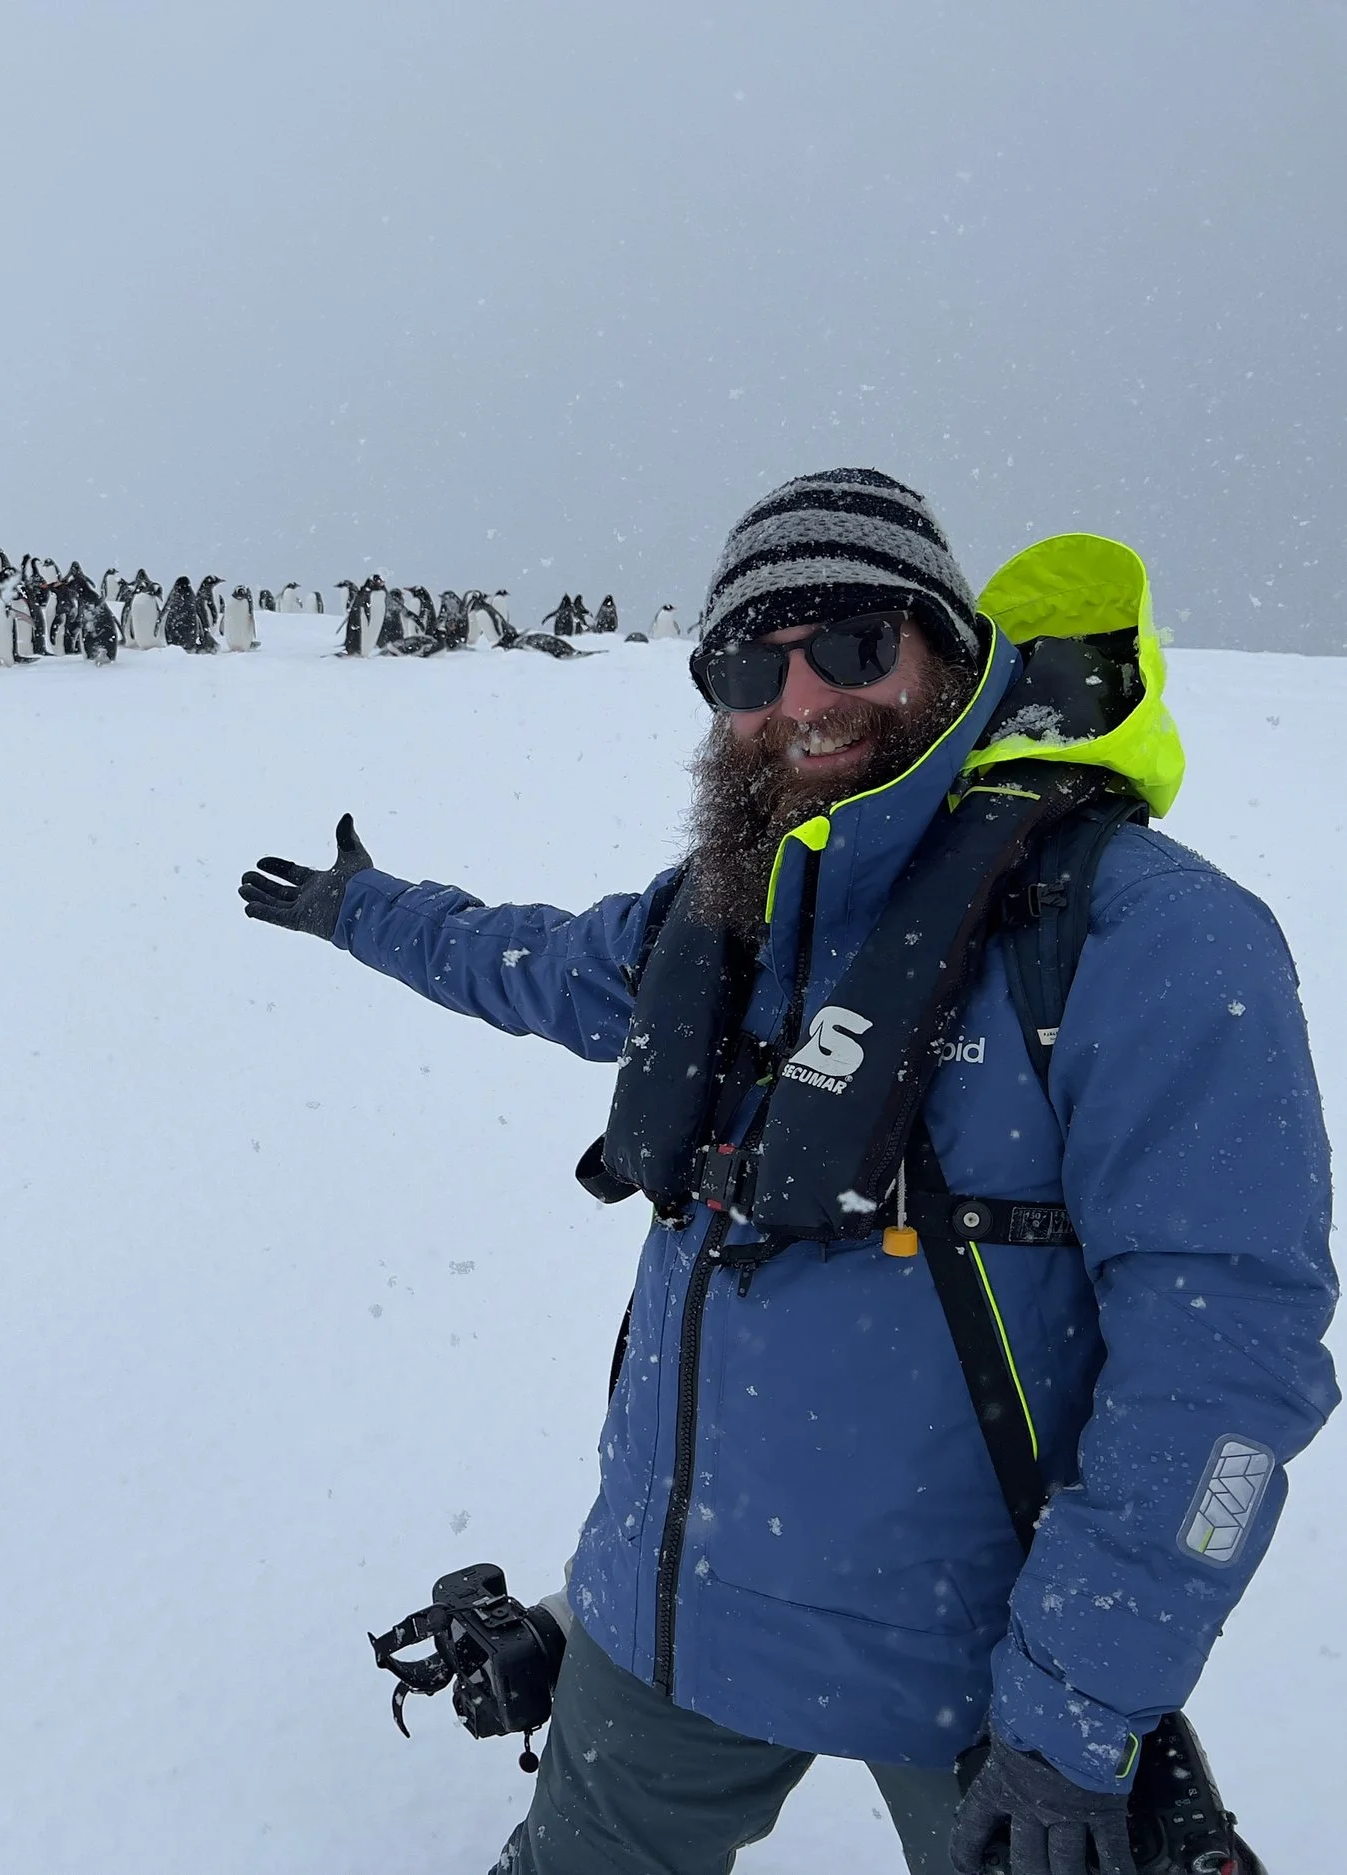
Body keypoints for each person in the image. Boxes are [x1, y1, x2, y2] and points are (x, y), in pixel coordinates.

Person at [239, 469, 1336, 1875]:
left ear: (951, 651)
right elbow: (523, 959)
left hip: (988, 1668)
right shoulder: (720, 919)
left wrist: (1080, 1703)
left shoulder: (1143, 935)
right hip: (672, 1615)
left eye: (857, 644)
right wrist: (360, 910)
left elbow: (1227, 1372)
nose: (802, 695)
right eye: (753, 661)